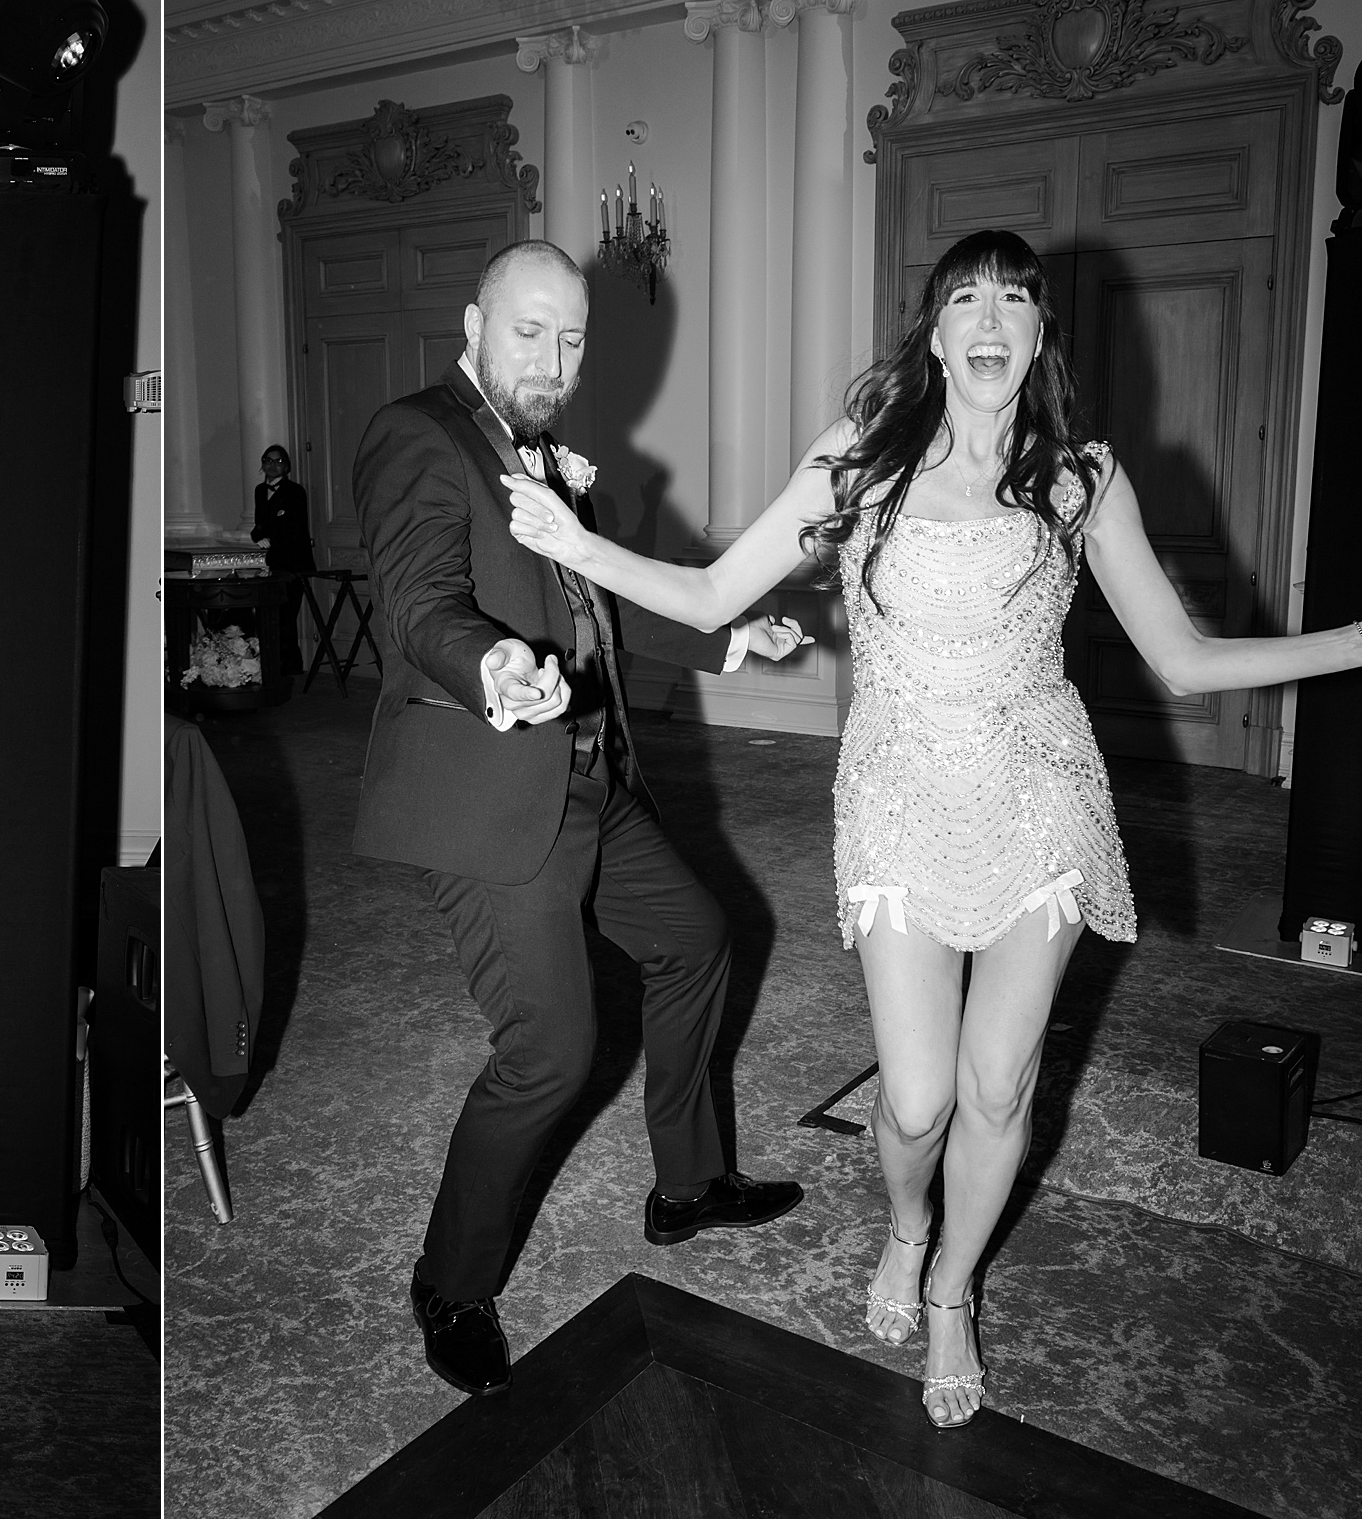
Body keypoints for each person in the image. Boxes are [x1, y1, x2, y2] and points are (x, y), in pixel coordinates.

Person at [503, 227, 1362, 1428]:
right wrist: (583, 546)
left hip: (1039, 785)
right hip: (901, 785)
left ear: (1039, 334)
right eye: (968, 295)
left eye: (1016, 297)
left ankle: (954, 1286)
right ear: (937, 330)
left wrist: (1356, 643)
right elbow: (708, 593)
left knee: (999, 1084)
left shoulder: (1079, 477)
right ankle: (909, 1224)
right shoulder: (859, 460)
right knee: (913, 1099)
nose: (993, 315)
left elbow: (1186, 659)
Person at [353, 238, 809, 1398]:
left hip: (594, 780)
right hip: (499, 791)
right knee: (551, 1052)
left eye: (571, 338)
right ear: (473, 324)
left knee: (699, 938)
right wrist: (492, 664)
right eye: (529, 331)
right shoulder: (418, 434)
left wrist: (725, 634)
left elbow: (599, 600)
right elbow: (417, 602)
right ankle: (448, 1282)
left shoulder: (554, 459)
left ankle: (686, 1184)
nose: (552, 357)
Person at [250, 445, 314, 670]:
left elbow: (293, 527)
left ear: (286, 466)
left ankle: (290, 666)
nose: (272, 465)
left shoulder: (295, 491)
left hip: (293, 562)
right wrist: (258, 535)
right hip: (272, 561)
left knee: (287, 616)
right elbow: (260, 523)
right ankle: (274, 665)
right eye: (267, 460)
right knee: (271, 614)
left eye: (277, 461)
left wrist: (271, 535)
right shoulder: (260, 490)